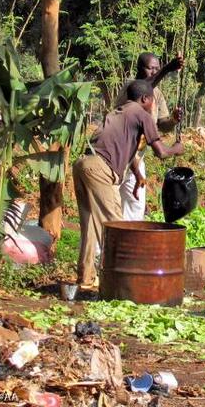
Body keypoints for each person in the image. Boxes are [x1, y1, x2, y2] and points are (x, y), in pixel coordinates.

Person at [73, 80, 184, 289]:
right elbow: (161, 152)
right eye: (153, 100)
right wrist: (177, 149)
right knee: (117, 228)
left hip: (83, 163)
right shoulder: (143, 114)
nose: (154, 105)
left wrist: (137, 175)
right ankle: (123, 284)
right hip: (100, 170)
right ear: (145, 99)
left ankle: (86, 278)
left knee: (90, 224)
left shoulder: (120, 111)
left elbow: (126, 150)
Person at [115, 52, 184, 220]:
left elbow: (162, 125)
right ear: (139, 69)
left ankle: (127, 243)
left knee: (135, 207)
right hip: (118, 156)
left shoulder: (157, 94)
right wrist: (167, 69)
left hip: (136, 159)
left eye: (157, 69)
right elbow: (161, 152)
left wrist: (173, 120)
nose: (154, 72)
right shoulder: (131, 88)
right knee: (112, 206)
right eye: (150, 68)